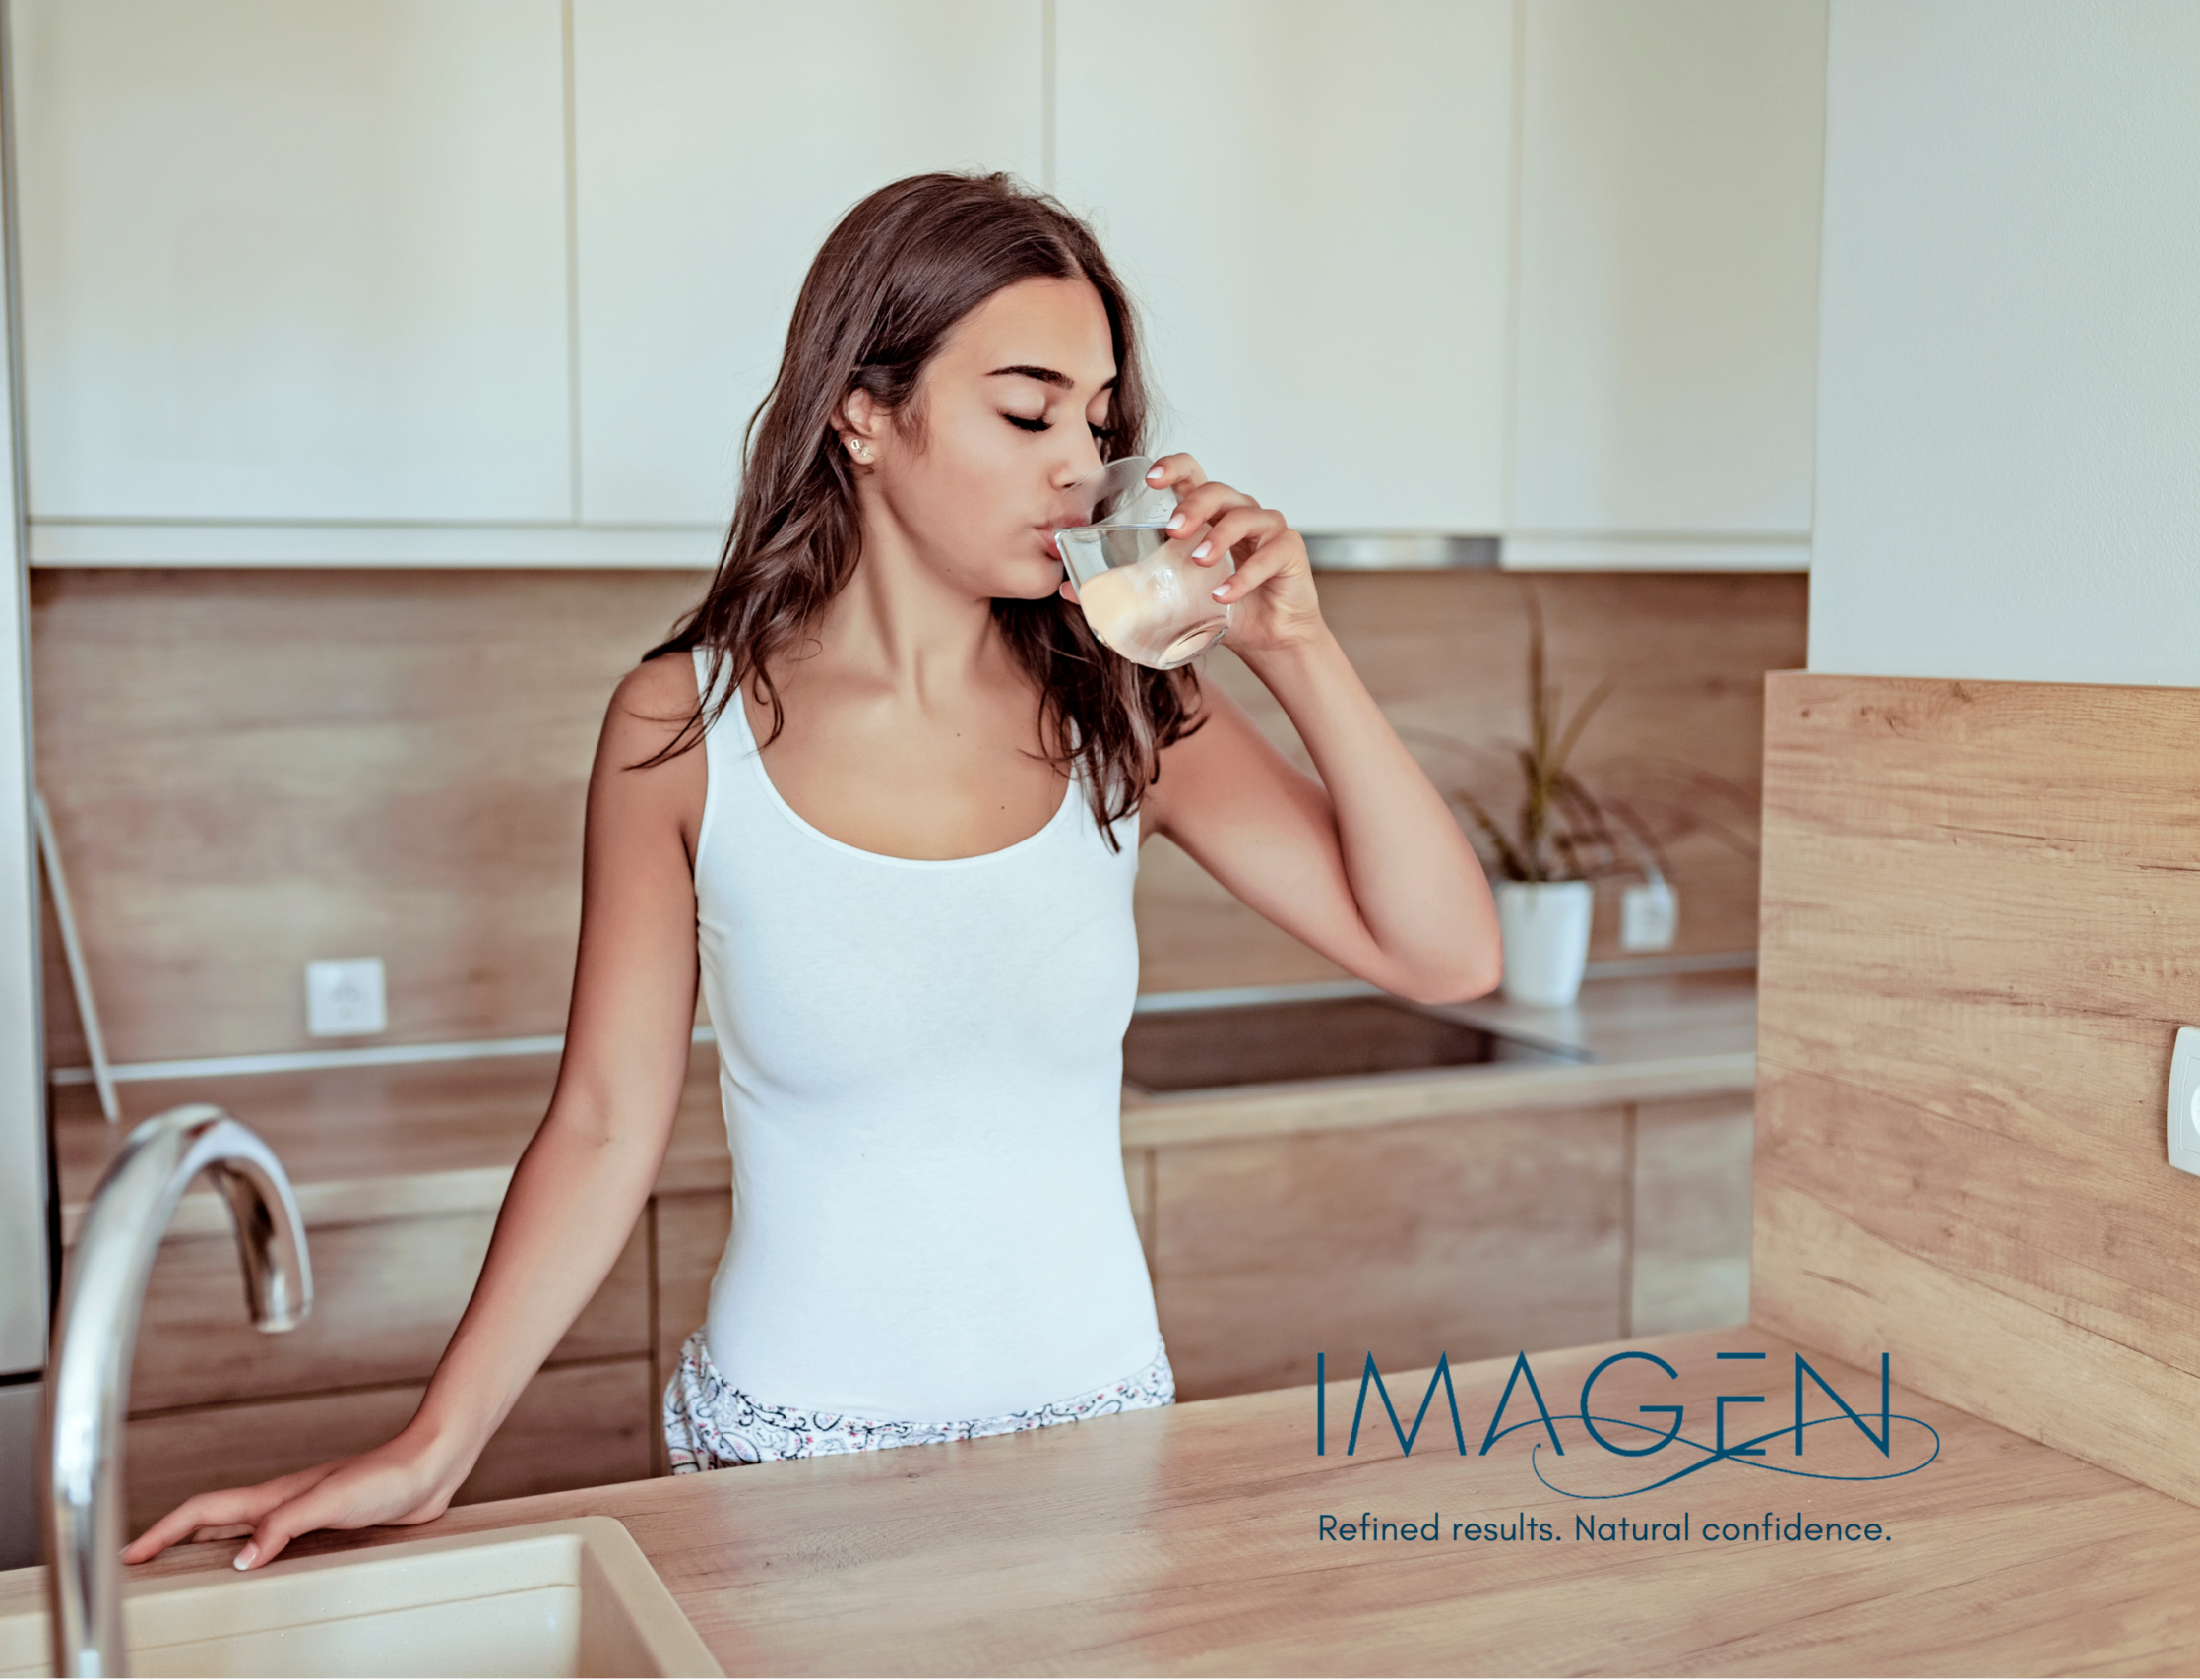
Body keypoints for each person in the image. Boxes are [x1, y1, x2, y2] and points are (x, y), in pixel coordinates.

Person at [122, 170, 1502, 1572]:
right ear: (862, 410)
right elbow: (603, 1121)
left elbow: (1448, 956)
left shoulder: (1129, 712)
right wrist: (434, 1444)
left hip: (1101, 1454)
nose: (1078, 465)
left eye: (1097, 419)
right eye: (1026, 411)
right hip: (786, 1471)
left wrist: (1298, 649)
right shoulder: (683, 728)